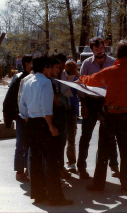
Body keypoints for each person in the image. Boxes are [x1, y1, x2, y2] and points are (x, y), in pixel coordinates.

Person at [78, 40, 127, 195]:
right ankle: (126, 186)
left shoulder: (111, 71)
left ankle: (99, 184)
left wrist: (80, 78)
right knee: (126, 152)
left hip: (111, 115)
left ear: (118, 54)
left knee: (103, 151)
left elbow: (92, 80)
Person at [19, 55, 73, 206]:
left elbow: (22, 104)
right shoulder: (46, 83)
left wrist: (27, 118)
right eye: (50, 67)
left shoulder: (28, 82)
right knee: (51, 161)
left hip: (31, 123)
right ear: (45, 68)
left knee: (35, 160)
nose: (51, 70)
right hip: (44, 123)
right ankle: (55, 197)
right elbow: (46, 108)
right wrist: (51, 126)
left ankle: (38, 194)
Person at [77, 37, 120, 179]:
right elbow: (81, 85)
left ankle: (114, 166)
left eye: (101, 49)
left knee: (110, 136)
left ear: (105, 47)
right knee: (86, 136)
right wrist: (83, 105)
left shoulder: (113, 62)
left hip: (107, 103)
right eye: (96, 50)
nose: (99, 52)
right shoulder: (87, 64)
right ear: (92, 50)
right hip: (90, 102)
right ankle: (81, 167)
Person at [3, 54, 33, 182]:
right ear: (26, 64)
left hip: (31, 116)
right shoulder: (20, 78)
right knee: (21, 143)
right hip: (21, 116)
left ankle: (27, 169)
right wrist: (8, 120)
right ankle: (20, 171)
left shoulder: (34, 77)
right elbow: (9, 100)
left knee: (29, 143)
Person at [49, 54, 72, 183]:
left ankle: (60, 167)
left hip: (62, 114)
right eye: (57, 67)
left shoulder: (59, 77)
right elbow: (54, 100)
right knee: (57, 144)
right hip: (56, 115)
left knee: (62, 143)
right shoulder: (49, 81)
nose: (59, 70)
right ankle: (56, 172)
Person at [63, 60, 80, 173]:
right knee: (70, 139)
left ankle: (71, 162)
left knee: (70, 139)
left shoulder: (75, 81)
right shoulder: (70, 80)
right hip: (69, 111)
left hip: (71, 112)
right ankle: (71, 162)